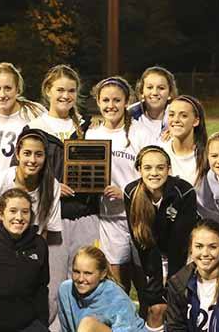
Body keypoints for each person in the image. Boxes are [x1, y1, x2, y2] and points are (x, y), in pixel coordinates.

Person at [24, 65, 98, 332]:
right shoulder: (36, 128)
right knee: (52, 287)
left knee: (86, 283)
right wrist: (54, 186)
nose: (65, 95)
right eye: (60, 90)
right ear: (47, 91)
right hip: (51, 217)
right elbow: (23, 170)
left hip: (87, 216)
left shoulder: (88, 127)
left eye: (71, 90)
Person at [124, 145, 199, 331]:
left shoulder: (184, 192)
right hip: (150, 256)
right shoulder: (131, 193)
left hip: (182, 255)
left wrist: (173, 286)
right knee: (154, 308)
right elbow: (142, 242)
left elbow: (179, 243)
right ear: (139, 169)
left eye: (160, 167)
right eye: (147, 168)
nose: (154, 173)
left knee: (176, 308)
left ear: (168, 169)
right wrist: (156, 283)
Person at [84, 76, 144, 289]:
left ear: (127, 101)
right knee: (118, 284)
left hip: (139, 216)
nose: (111, 106)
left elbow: (153, 174)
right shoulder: (92, 135)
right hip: (109, 220)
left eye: (117, 100)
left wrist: (126, 193)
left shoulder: (140, 133)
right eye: (106, 100)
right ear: (98, 102)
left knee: (145, 283)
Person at [0, 188, 50, 332]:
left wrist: (42, 324)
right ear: (1, 214)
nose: (19, 217)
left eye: (25, 212)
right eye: (13, 211)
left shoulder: (39, 244)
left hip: (28, 325)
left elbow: (42, 287)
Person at [0, 128, 62, 237]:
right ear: (18, 154)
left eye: (39, 155)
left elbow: (49, 229)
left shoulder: (52, 185)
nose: (33, 160)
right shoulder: (2, 180)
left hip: (29, 246)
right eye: (27, 153)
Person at [166, 219, 219, 332]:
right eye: (199, 246)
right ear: (191, 249)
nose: (205, 253)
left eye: (212, 247)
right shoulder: (179, 283)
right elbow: (176, 327)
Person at [57, 246, 147, 332]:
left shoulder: (116, 298)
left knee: (88, 325)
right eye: (76, 272)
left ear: (102, 274)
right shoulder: (66, 290)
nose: (81, 279)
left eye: (87, 273)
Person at [0, 62, 45, 178]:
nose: (2, 94)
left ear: (18, 89)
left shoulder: (34, 113)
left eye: (8, 88)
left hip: (23, 188)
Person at [161, 95, 207, 187]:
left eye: (184, 116)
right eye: (171, 115)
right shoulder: (160, 150)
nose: (176, 120)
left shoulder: (207, 155)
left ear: (196, 121)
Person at [129, 66, 179, 144]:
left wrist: (179, 135)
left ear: (170, 93)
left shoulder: (178, 117)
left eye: (161, 88)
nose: (155, 92)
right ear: (142, 92)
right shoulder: (130, 114)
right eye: (150, 87)